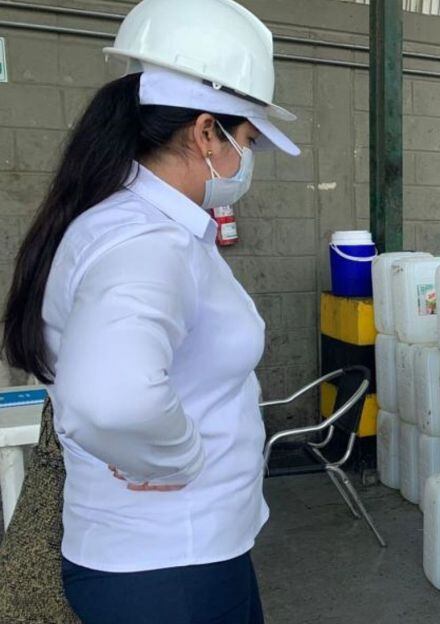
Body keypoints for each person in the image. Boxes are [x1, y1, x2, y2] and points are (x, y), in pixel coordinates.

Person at [0, 0, 299, 622]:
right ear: (204, 133)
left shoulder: (139, 224)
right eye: (246, 139)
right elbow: (114, 398)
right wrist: (181, 458)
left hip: (183, 551)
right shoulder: (147, 241)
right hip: (167, 568)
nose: (247, 161)